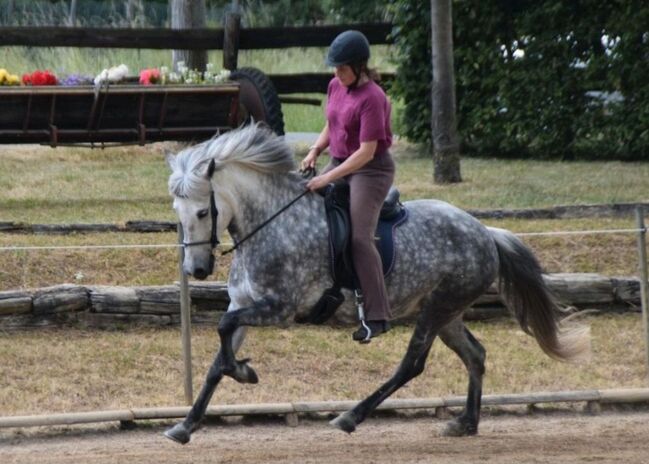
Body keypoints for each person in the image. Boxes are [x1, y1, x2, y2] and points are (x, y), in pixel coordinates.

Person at [301, 30, 395, 342]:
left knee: (359, 238)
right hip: (341, 161)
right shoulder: (335, 85)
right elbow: (332, 123)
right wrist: (315, 151)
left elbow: (367, 152)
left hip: (370, 171)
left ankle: (378, 315)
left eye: (342, 68)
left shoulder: (373, 98)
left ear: (358, 67)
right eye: (335, 68)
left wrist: (327, 178)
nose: (336, 73)